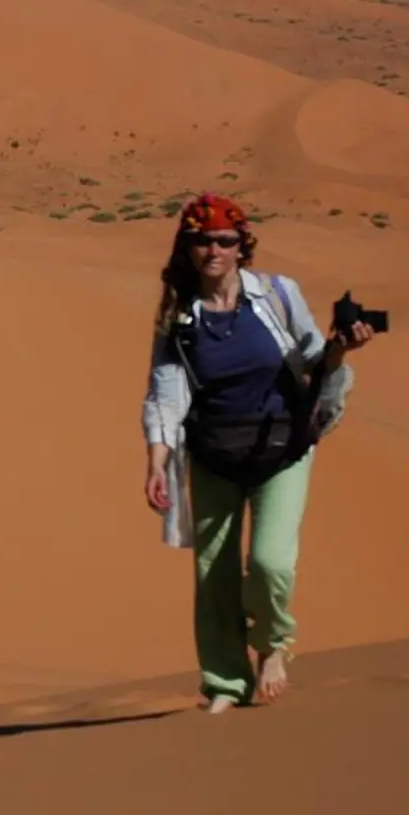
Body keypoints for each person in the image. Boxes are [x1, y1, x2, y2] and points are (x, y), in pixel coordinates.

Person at [141, 195, 373, 713]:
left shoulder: (276, 295)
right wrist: (156, 460)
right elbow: (165, 392)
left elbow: (314, 357)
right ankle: (225, 683)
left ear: (242, 246)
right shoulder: (179, 315)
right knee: (214, 575)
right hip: (214, 454)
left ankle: (272, 645)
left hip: (283, 449)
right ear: (188, 247)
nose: (214, 251)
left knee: (271, 563)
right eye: (203, 240)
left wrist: (342, 347)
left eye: (225, 240)